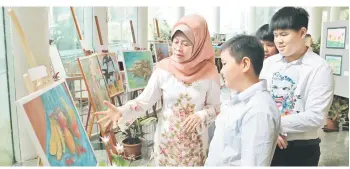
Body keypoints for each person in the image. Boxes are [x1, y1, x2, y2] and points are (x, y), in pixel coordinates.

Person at [95, 14, 221, 166]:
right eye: (175, 42)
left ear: (199, 45)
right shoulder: (163, 69)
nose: (178, 48)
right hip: (166, 143)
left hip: (194, 146)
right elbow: (144, 101)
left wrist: (202, 115)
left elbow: (216, 108)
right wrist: (122, 111)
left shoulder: (209, 73)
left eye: (186, 44)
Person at [260, 7, 334, 166]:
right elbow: (259, 100)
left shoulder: (319, 68)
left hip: (300, 149)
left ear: (302, 33)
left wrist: (273, 125)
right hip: (267, 143)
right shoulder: (269, 64)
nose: (278, 40)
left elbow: (316, 117)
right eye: (275, 35)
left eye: (284, 34)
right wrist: (269, 130)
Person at [205, 35, 280, 166]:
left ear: (245, 64)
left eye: (224, 64)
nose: (221, 70)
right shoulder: (239, 99)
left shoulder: (259, 111)